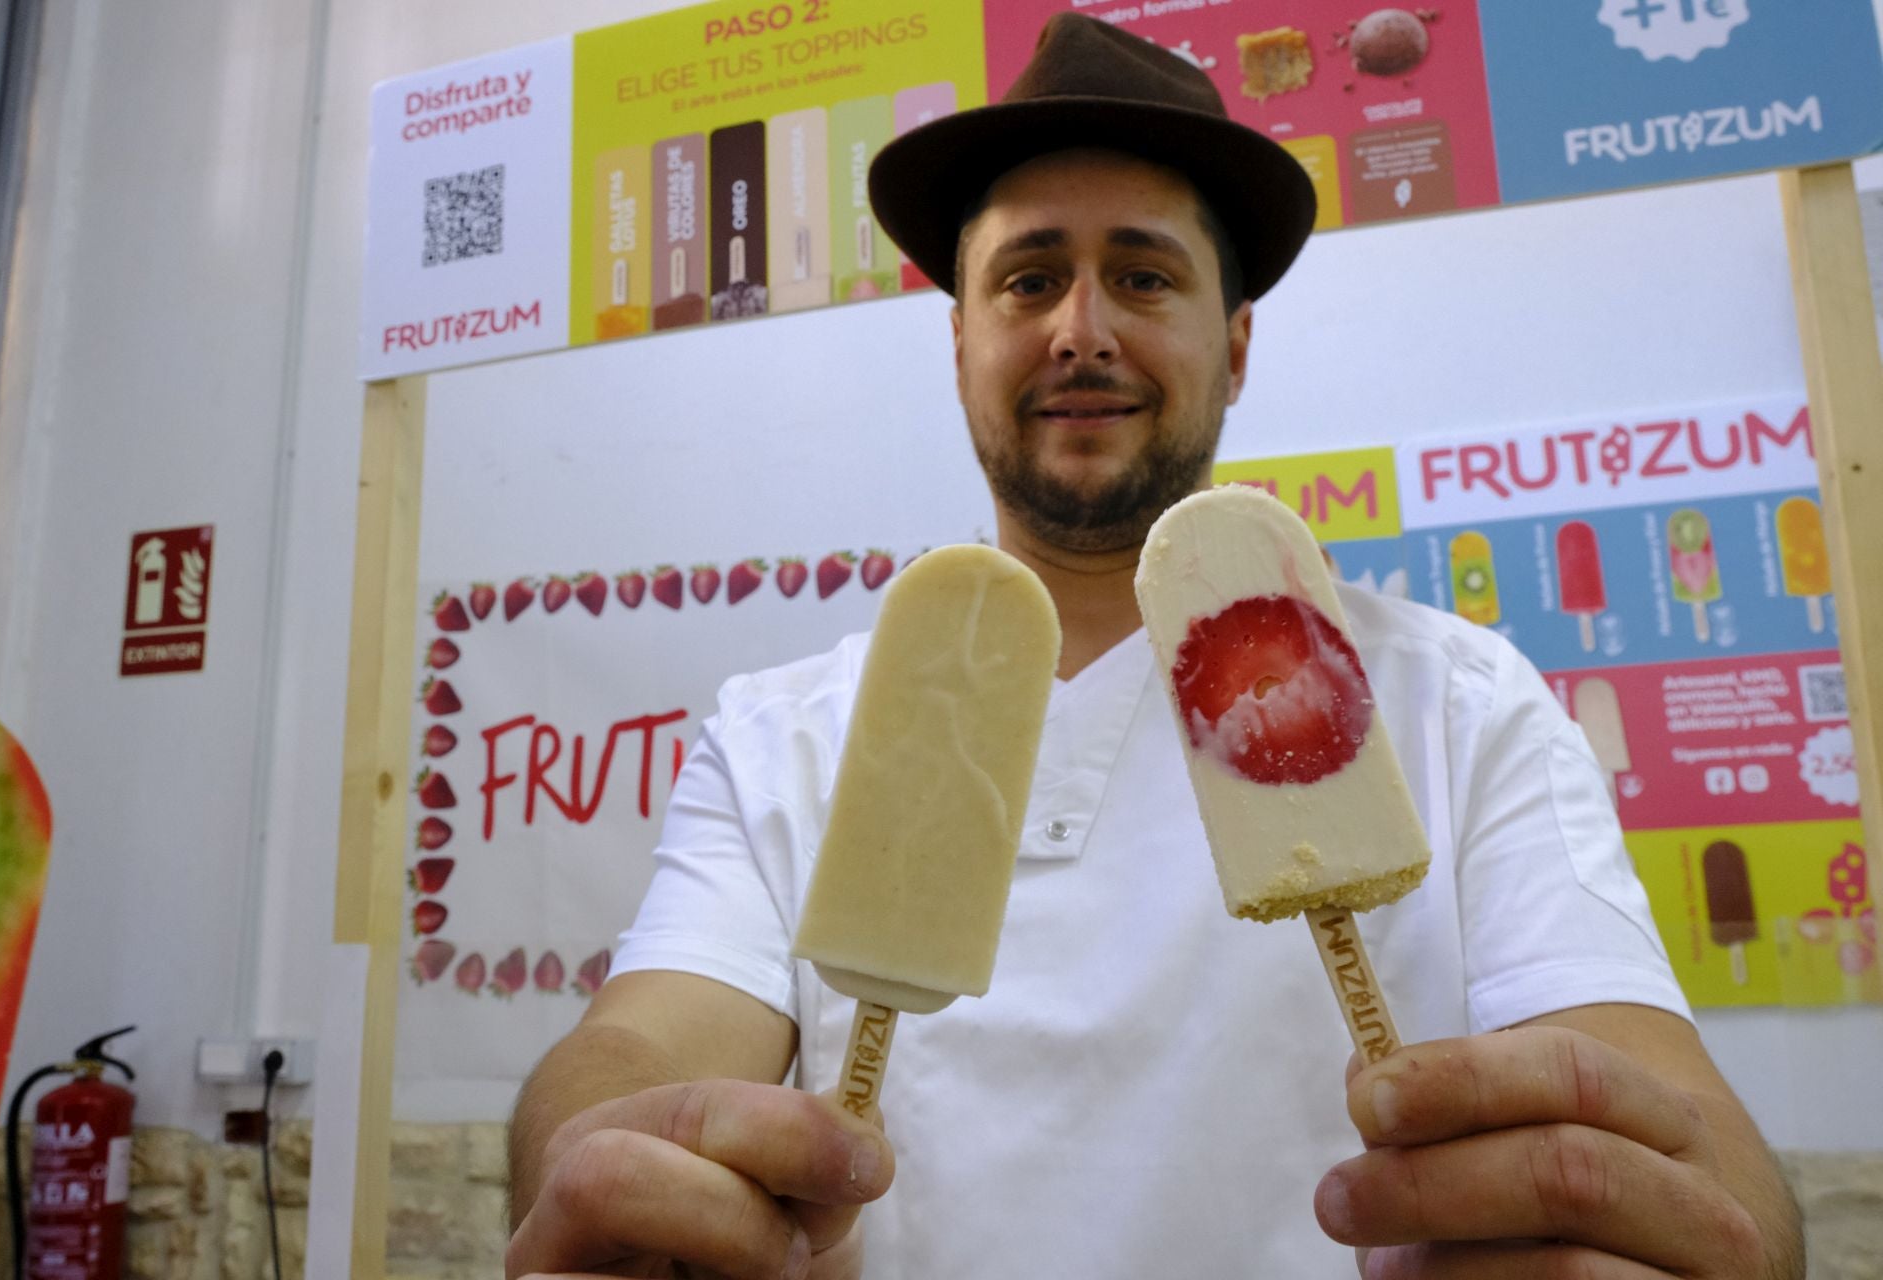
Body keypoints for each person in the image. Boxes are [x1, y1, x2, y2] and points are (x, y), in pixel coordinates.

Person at [504, 15, 1802, 1278]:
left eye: (1142, 274)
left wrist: (1690, 1222)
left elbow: (1673, 1113)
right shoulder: (784, 733)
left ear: (1234, 347)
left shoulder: (1457, 704)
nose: (1081, 328)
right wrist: (613, 1162)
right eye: (1026, 279)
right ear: (958, 342)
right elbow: (646, 1044)